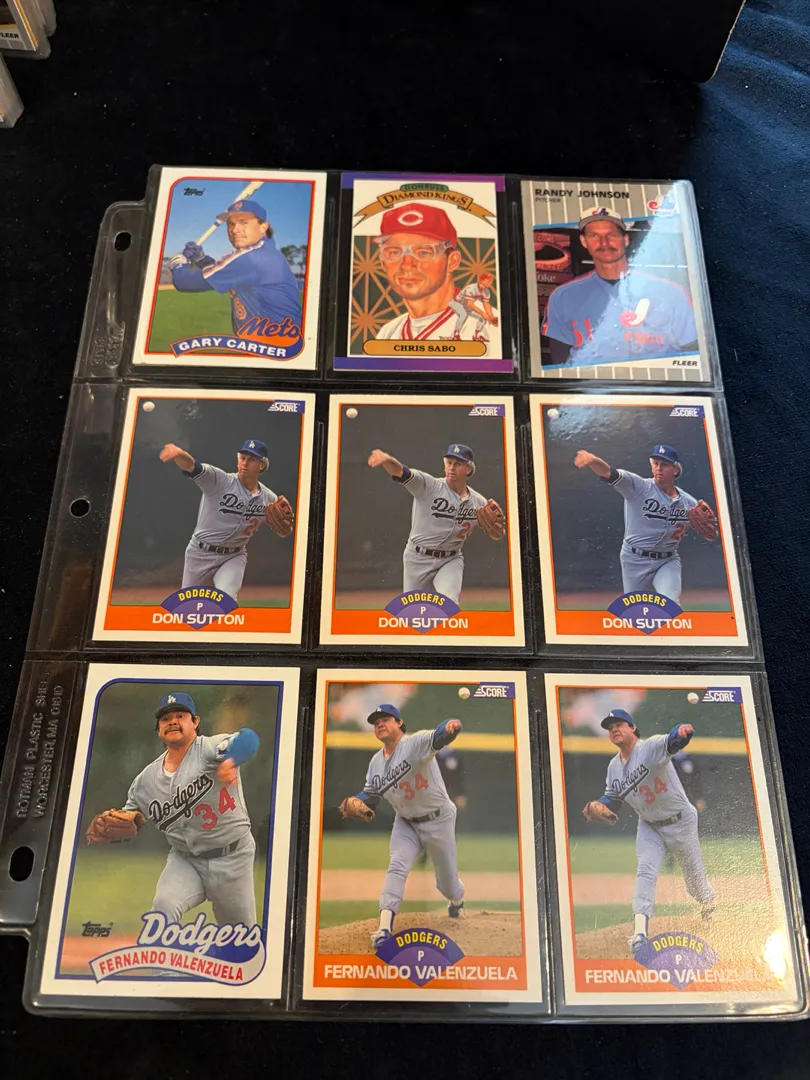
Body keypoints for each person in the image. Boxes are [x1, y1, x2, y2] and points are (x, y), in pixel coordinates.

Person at [87, 692, 261, 927]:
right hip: (186, 860)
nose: (172, 721)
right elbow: (131, 816)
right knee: (162, 909)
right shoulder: (145, 781)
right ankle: (160, 954)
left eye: (180, 715)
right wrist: (126, 822)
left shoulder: (211, 749)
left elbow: (248, 738)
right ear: (159, 729)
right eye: (165, 718)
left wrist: (231, 760)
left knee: (240, 938)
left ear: (195, 722)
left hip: (233, 857)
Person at [583, 709, 716, 956]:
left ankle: (708, 902)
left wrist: (682, 733)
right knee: (646, 871)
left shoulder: (650, 747)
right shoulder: (613, 768)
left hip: (681, 822)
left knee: (695, 885)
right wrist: (598, 805)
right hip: (649, 826)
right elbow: (612, 799)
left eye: (619, 724)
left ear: (632, 727)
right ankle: (639, 933)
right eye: (610, 727)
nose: (614, 729)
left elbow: (673, 741)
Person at [340, 704, 466, 949]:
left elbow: (439, 736)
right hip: (406, 822)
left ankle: (457, 901)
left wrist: (450, 728)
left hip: (438, 819)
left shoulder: (415, 743)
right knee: (397, 867)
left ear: (399, 722)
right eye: (376, 721)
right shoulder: (375, 763)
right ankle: (384, 928)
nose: (379, 724)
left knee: (447, 884)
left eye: (385, 719)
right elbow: (370, 795)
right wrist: (357, 800)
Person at [541, 206, 698, 366]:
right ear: (583, 241)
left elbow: (694, 352)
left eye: (612, 235)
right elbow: (559, 363)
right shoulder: (564, 296)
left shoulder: (670, 292)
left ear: (625, 239)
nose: (604, 242)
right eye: (594, 236)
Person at [573, 443, 717, 605]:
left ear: (676, 470)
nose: (659, 468)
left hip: (667, 560)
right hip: (634, 559)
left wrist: (710, 528)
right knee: (635, 609)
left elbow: (712, 533)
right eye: (656, 463)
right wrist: (593, 460)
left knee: (671, 605)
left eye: (665, 464)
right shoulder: (638, 486)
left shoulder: (689, 503)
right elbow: (609, 473)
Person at [368, 442, 505, 605]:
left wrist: (498, 532)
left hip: (450, 559)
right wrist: (387, 460)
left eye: (458, 464)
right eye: (449, 462)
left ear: (468, 469)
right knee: (413, 610)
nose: (451, 468)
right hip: (417, 558)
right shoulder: (429, 486)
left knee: (449, 605)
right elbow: (401, 472)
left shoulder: (479, 502)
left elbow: (497, 533)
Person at [160, 437, 292, 601]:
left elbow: (285, 528)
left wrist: (286, 528)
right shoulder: (220, 480)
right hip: (200, 553)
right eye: (242, 458)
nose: (244, 463)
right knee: (190, 605)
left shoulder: (269, 499)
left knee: (226, 600)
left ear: (262, 465)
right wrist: (179, 454)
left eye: (251, 459)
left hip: (233, 556)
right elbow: (192, 466)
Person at [167, 198, 302, 334]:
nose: (235, 230)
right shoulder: (264, 252)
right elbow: (227, 273)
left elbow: (185, 282)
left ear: (263, 227)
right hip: (277, 339)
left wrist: (177, 263)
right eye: (231, 223)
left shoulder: (250, 258)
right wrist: (201, 259)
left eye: (244, 222)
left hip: (273, 342)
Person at [372, 203, 497, 348]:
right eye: (394, 252)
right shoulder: (387, 333)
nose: (406, 265)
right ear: (383, 262)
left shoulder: (488, 327)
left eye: (423, 252)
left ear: (452, 261)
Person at [449, 271, 499, 344]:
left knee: (483, 318)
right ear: (481, 280)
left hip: (466, 307)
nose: (490, 282)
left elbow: (486, 304)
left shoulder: (486, 291)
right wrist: (483, 313)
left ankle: (476, 336)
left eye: (491, 280)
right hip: (456, 303)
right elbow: (470, 304)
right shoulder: (471, 288)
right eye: (488, 280)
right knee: (464, 314)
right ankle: (456, 335)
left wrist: (491, 317)